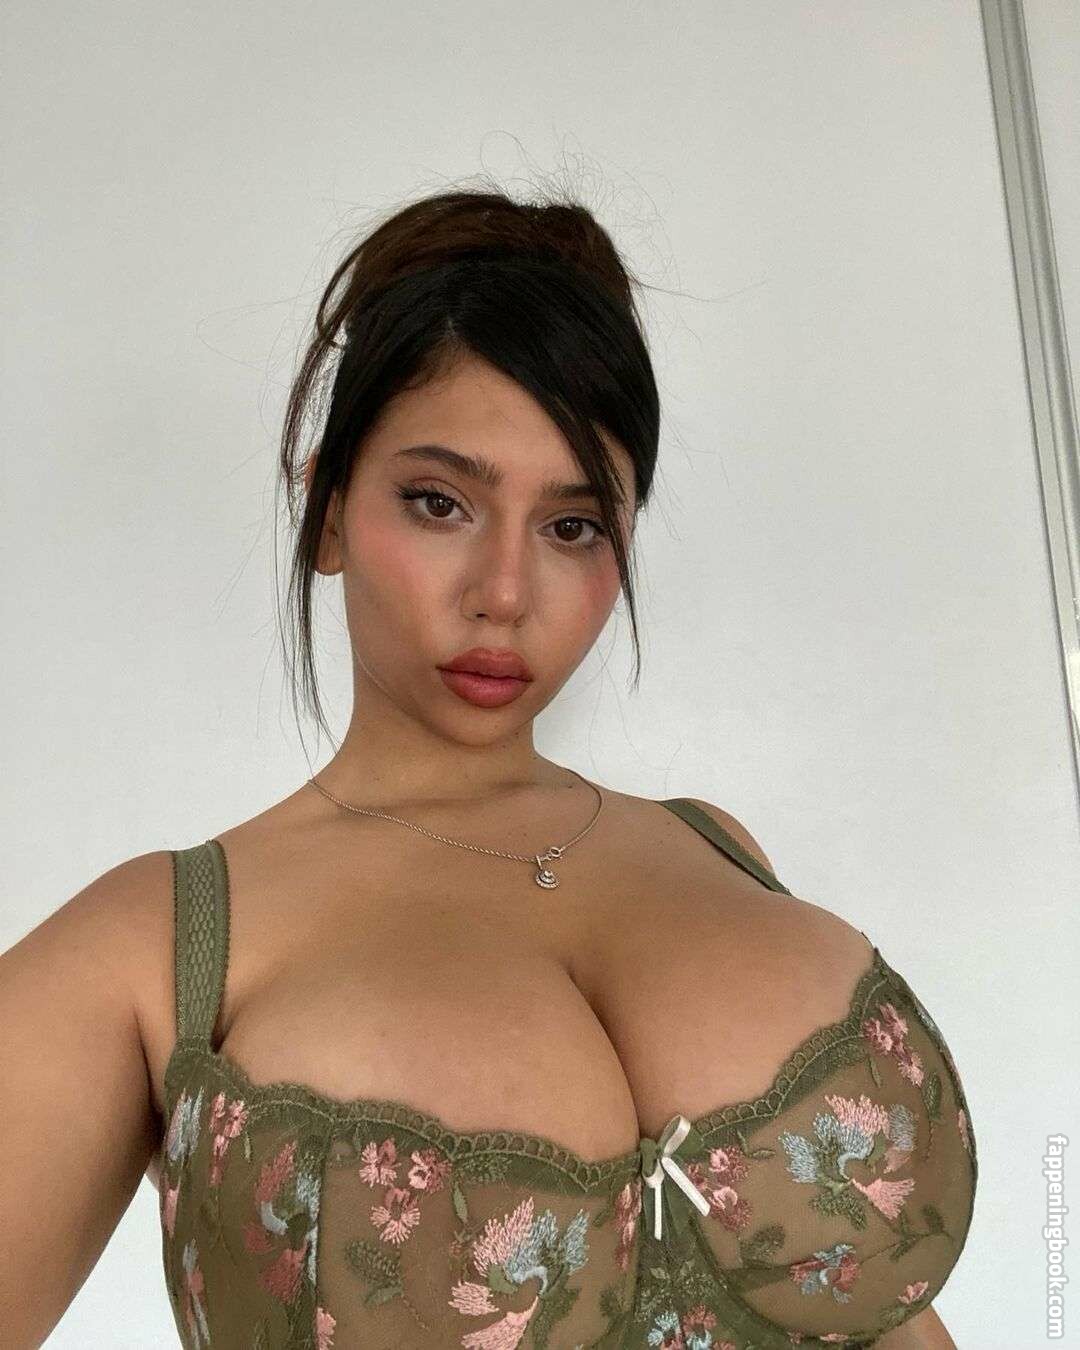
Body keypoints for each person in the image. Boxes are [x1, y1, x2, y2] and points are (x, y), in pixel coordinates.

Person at [0, 188, 976, 1349]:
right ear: (326, 512)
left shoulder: (716, 846)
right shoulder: (155, 948)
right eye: (440, 503)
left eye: (572, 526)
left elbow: (881, 1314)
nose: (504, 593)